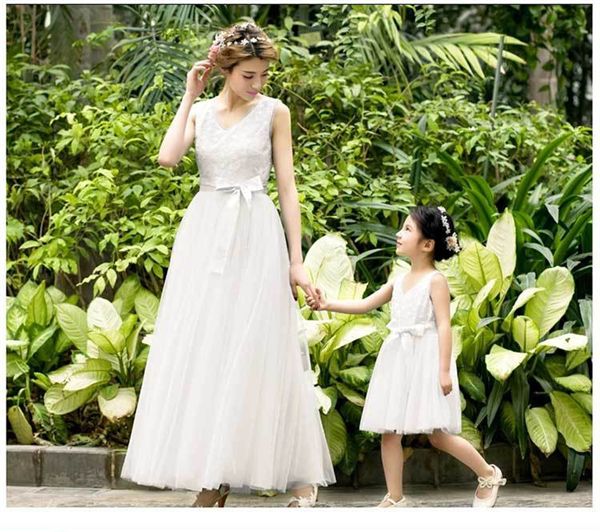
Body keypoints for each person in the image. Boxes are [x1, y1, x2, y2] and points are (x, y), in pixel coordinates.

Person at [120, 21, 335, 508]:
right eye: (248, 76)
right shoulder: (200, 111)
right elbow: (168, 157)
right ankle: (212, 479)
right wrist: (187, 95)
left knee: (262, 347)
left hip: (255, 231)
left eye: (261, 76)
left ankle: (302, 479)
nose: (257, 85)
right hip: (205, 233)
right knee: (207, 347)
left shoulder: (273, 113)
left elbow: (287, 188)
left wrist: (296, 260)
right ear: (225, 70)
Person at [307, 205, 506, 508]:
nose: (399, 234)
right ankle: (395, 498)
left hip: (426, 360)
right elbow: (365, 305)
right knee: (389, 432)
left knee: (437, 436)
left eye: (408, 229)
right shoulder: (399, 279)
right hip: (398, 358)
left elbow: (443, 325)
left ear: (427, 245)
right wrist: (326, 305)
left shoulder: (435, 281)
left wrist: (443, 371)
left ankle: (488, 474)